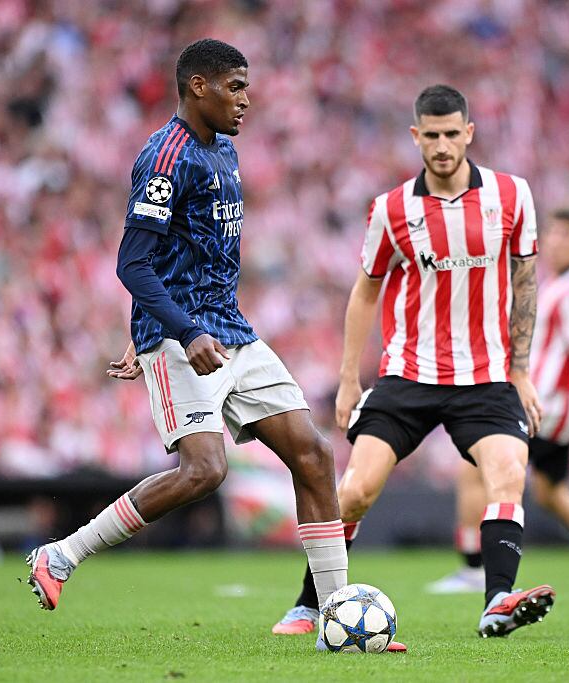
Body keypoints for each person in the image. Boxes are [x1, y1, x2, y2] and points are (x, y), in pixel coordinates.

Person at [26, 40, 347, 633]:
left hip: (231, 331)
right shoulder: (165, 157)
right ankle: (61, 554)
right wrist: (167, 328)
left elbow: (189, 257)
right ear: (198, 86)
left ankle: (335, 614)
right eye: (236, 86)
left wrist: (170, 319)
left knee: (315, 454)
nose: (246, 100)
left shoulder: (224, 151)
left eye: (247, 87)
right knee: (204, 471)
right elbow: (132, 263)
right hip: (184, 341)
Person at [272, 85, 554, 643]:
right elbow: (364, 292)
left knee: (508, 474)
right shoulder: (392, 209)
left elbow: (525, 283)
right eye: (433, 135)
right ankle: (308, 605)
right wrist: (350, 378)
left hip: (487, 376)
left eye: (453, 134)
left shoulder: (511, 196)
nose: (444, 145)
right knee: (355, 490)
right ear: (416, 136)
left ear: (469, 133)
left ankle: (497, 600)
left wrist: (520, 370)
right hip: (408, 375)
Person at [427, 208, 569, 594]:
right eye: (554, 232)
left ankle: (472, 569)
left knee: (473, 467)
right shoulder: (559, 284)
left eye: (567, 234)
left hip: (546, 404)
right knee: (551, 491)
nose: (557, 241)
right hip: (558, 409)